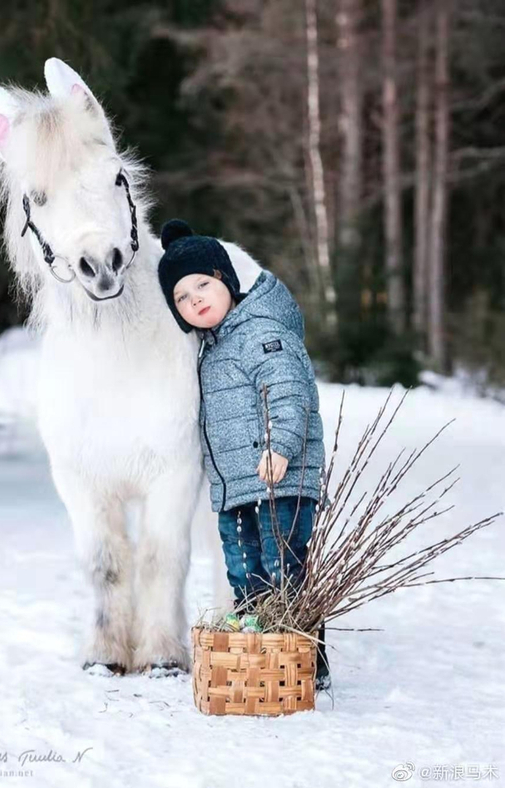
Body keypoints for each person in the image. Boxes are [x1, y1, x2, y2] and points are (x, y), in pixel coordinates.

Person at [157, 218, 331, 690]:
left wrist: (281, 446)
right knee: (244, 576)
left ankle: (305, 663)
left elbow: (288, 389)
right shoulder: (210, 350)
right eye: (181, 297)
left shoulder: (259, 333)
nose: (194, 299)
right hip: (235, 489)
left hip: (279, 480)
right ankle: (263, 659)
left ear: (227, 281)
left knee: (283, 571)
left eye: (203, 285)